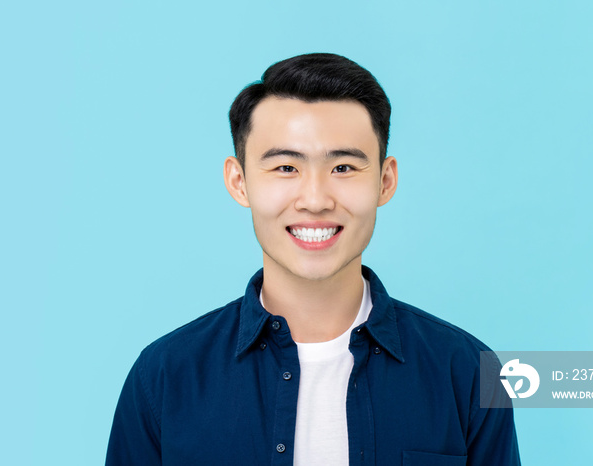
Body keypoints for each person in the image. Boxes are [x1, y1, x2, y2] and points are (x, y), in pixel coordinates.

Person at [106, 53, 520, 465]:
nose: (316, 200)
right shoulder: (163, 376)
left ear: (385, 180)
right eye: (286, 167)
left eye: (343, 167)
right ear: (239, 181)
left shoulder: (467, 372)